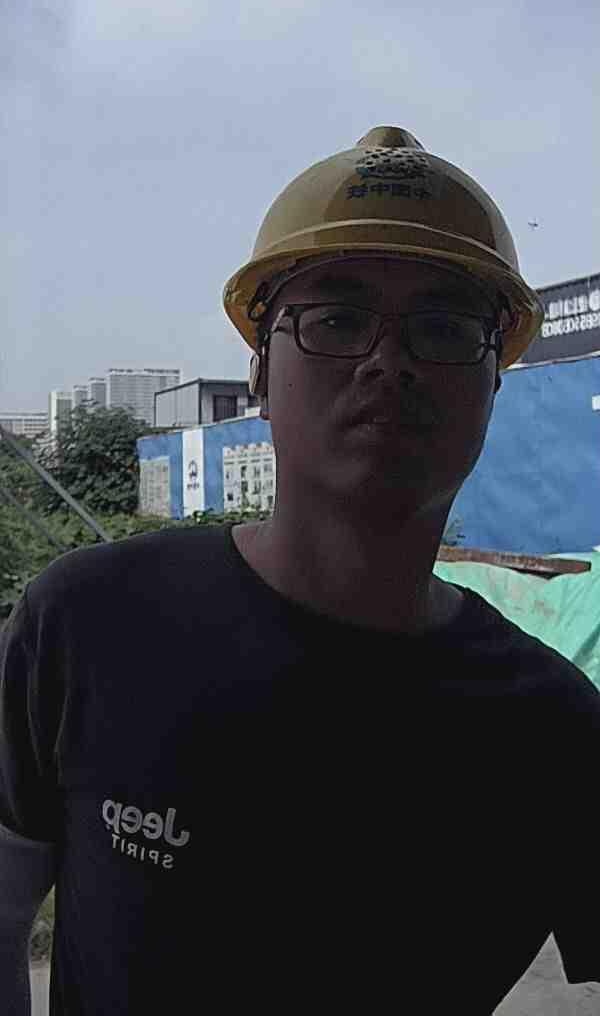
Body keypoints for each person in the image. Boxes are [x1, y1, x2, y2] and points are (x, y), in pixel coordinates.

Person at [1, 126, 598, 1015]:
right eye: (336, 321)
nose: (388, 362)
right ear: (259, 375)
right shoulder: (89, 625)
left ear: (493, 385)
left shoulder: (557, 735)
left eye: (442, 328)